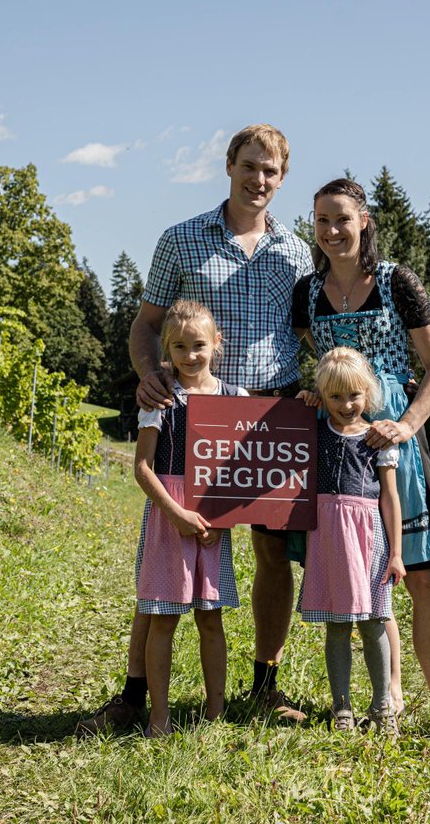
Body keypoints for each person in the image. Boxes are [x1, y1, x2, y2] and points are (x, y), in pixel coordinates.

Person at [76, 124, 313, 736]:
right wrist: (148, 375)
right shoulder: (181, 240)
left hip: (269, 415)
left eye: (270, 171)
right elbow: (145, 325)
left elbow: (310, 332)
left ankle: (264, 683)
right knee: (166, 550)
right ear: (228, 166)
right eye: (249, 166)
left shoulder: (296, 251)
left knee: (269, 553)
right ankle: (134, 694)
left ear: (282, 178)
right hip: (193, 416)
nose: (258, 179)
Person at [292, 177, 430, 750]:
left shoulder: (398, 282)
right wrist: (313, 394)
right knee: (361, 576)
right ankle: (385, 694)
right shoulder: (307, 290)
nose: (331, 230)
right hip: (336, 449)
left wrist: (409, 423)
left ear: (364, 220)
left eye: (342, 218)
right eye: (321, 220)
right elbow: (314, 361)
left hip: (393, 436)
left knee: (423, 577)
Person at [131, 301, 242, 736]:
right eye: (179, 346)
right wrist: (176, 513)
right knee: (164, 617)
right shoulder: (159, 397)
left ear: (216, 343)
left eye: (198, 345)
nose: (190, 355)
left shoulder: (236, 399)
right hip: (168, 515)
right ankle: (160, 719)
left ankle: (215, 716)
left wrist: (223, 518)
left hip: (213, 521)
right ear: (166, 348)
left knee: (210, 618)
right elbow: (142, 467)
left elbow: (246, 469)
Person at [298, 347, 404, 733]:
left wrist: (397, 553)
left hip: (368, 535)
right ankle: (341, 707)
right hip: (327, 534)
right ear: (323, 396)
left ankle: (381, 707)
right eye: (335, 396)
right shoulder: (314, 429)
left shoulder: (377, 438)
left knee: (375, 620)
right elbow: (284, 433)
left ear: (368, 392)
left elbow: (389, 497)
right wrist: (302, 403)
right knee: (337, 623)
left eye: (354, 395)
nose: (346, 404)